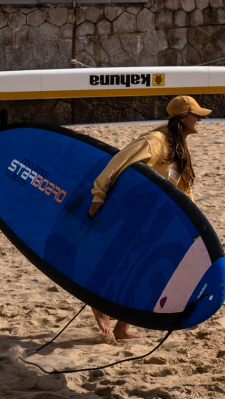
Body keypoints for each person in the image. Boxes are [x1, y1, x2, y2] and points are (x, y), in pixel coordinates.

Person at [86, 94, 208, 343]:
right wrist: (99, 194)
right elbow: (118, 163)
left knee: (141, 269)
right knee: (123, 263)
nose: (200, 120)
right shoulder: (155, 141)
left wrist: (194, 221)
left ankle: (122, 327)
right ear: (183, 118)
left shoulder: (180, 146)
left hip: (157, 219)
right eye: (196, 115)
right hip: (134, 214)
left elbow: (184, 189)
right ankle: (99, 304)